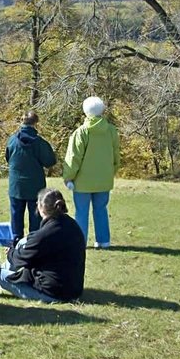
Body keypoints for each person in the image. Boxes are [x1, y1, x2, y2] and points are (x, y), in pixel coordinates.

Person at [0, 188, 86, 303]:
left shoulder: (44, 235)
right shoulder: (71, 223)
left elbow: (18, 260)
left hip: (53, 293)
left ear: (40, 206)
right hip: (73, 289)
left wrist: (11, 252)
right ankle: (1, 279)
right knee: (23, 242)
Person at [63, 96, 121, 249]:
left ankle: (80, 242)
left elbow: (73, 158)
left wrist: (68, 177)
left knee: (81, 212)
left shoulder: (81, 132)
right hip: (103, 180)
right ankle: (104, 241)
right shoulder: (111, 130)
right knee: (101, 210)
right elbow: (116, 155)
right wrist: (110, 171)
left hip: (83, 182)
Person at [5, 111, 57, 241]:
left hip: (16, 185)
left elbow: (8, 157)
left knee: (16, 216)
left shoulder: (12, 140)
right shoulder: (39, 142)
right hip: (35, 185)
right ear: (35, 123)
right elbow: (50, 161)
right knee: (36, 218)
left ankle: (16, 243)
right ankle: (35, 241)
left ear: (21, 122)